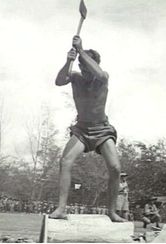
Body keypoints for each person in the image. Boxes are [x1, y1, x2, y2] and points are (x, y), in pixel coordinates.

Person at [49, 35, 126, 222]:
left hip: (102, 130)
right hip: (82, 130)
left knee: (115, 168)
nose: (83, 70)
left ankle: (112, 212)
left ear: (94, 64)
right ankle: (61, 208)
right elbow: (59, 81)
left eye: (86, 66)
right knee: (65, 161)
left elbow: (98, 73)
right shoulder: (75, 78)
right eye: (81, 66)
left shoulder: (102, 77)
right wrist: (69, 61)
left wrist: (81, 51)